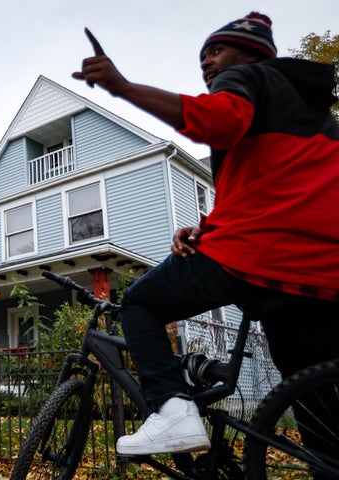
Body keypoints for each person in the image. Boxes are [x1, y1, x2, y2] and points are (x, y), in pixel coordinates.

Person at [72, 12, 339, 457]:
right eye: (202, 58)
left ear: (251, 53)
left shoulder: (248, 77)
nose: (207, 64)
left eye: (215, 51)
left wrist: (125, 87)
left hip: (260, 253)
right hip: (320, 273)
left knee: (139, 302)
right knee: (316, 408)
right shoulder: (317, 119)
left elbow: (220, 121)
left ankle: (172, 411)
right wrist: (207, 226)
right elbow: (282, 190)